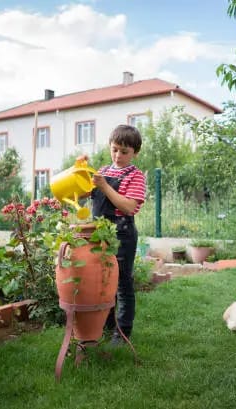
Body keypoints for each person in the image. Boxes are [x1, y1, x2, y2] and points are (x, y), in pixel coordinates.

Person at [79, 124, 146, 345]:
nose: (118, 155)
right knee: (103, 281)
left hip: (122, 234)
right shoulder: (103, 172)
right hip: (100, 233)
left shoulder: (135, 176)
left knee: (123, 283)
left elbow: (128, 207)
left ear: (135, 152)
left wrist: (105, 186)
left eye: (124, 152)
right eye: (114, 149)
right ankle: (107, 326)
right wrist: (81, 170)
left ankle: (122, 332)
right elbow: (81, 195)